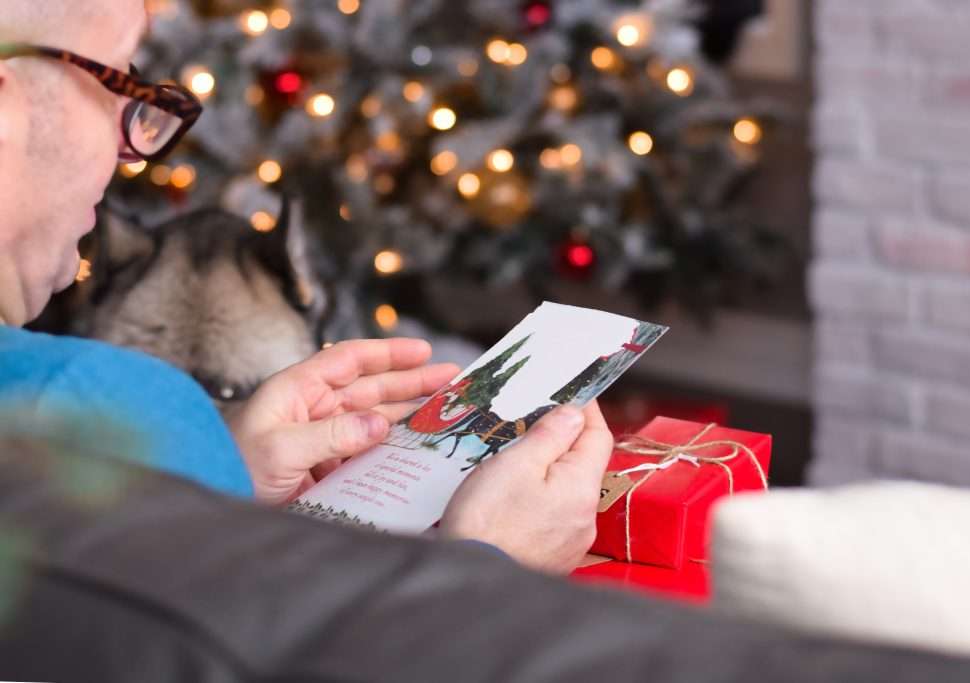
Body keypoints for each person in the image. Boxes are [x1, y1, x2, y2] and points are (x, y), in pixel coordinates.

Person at [0, 0, 612, 574]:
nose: (130, 149)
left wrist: (218, 473)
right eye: (117, 86)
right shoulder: (75, 413)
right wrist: (486, 565)